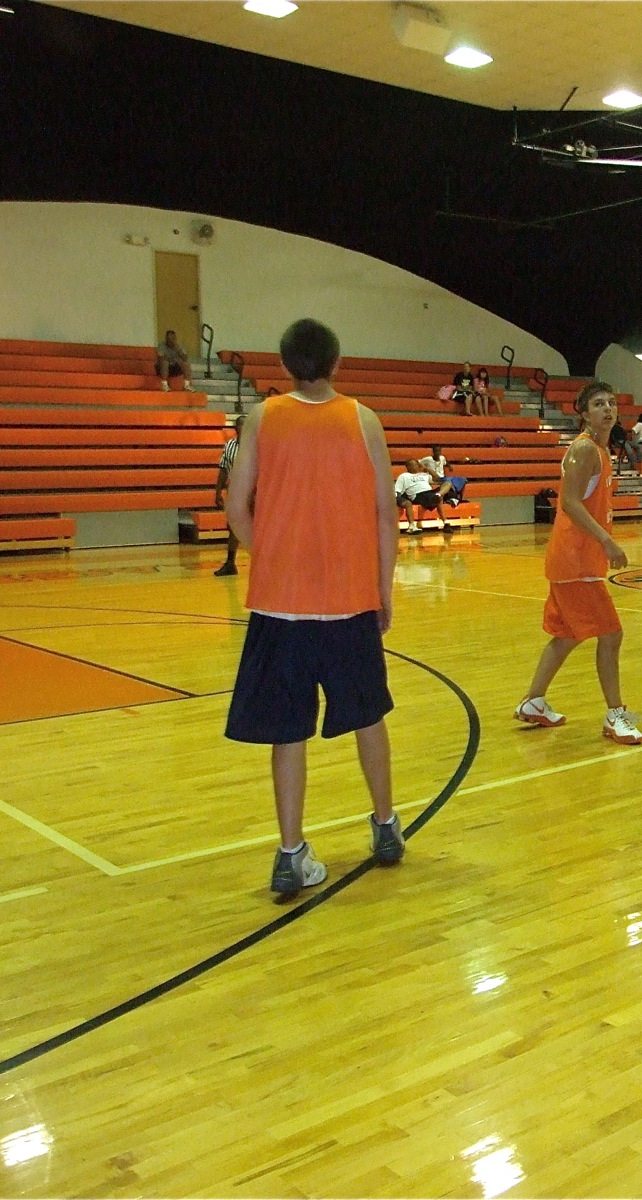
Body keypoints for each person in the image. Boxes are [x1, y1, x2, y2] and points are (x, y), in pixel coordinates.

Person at [223, 318, 404, 898]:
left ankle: (290, 854)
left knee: (288, 731)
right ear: (337, 361)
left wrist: (271, 555)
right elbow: (385, 513)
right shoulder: (363, 419)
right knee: (369, 718)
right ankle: (385, 827)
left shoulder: (262, 417)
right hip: (349, 600)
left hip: (281, 609)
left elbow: (235, 506)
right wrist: (383, 587)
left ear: (283, 364)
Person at [514, 381, 642, 746]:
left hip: (575, 560)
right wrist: (606, 540)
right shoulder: (585, 449)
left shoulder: (599, 450)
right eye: (598, 404)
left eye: (611, 402)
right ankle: (615, 716)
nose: (608, 408)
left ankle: (534, 701)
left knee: (567, 635)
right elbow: (568, 502)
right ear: (584, 413)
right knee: (611, 635)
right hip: (575, 560)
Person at [213, 413, 245, 576]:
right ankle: (230, 563)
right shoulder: (230, 445)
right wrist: (218, 492)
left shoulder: (259, 445)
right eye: (241, 426)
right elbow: (223, 469)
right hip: (236, 491)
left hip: (256, 492)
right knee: (233, 527)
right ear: (236, 429)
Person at [394, 459, 453, 533]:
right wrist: (400, 500)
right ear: (408, 467)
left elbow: (437, 478)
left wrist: (427, 468)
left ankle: (438, 495)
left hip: (430, 493)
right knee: (439, 499)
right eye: (414, 465)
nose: (416, 466)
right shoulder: (403, 476)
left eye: (417, 464)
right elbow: (397, 490)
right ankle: (445, 522)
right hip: (418, 495)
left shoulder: (423, 475)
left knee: (447, 483)